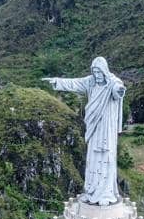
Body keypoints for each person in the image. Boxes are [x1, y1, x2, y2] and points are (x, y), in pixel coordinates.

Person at [42, 56, 126, 205]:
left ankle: (105, 194)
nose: (97, 76)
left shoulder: (112, 82)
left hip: (106, 128)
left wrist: (119, 90)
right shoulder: (90, 82)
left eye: (99, 73)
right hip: (94, 128)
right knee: (93, 159)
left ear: (105, 72)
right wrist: (57, 81)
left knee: (106, 157)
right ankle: (92, 190)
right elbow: (75, 83)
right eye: (95, 72)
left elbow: (117, 90)